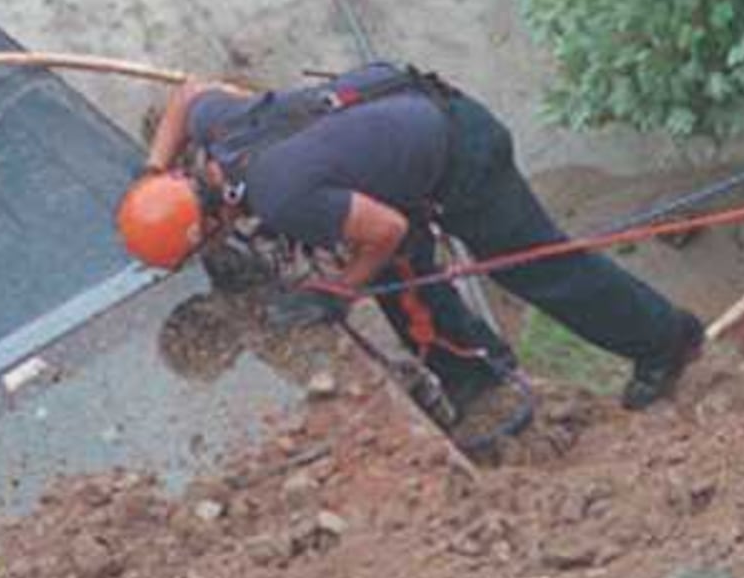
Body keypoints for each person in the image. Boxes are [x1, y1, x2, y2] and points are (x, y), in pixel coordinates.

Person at [116, 65, 705, 433]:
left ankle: (665, 340)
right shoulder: (220, 134)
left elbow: (388, 230)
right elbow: (190, 94)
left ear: (209, 222)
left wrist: (337, 293)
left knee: (537, 268)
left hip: (462, 151)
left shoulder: (280, 197)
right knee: (398, 277)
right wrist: (150, 169)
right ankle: (477, 378)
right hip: (402, 119)